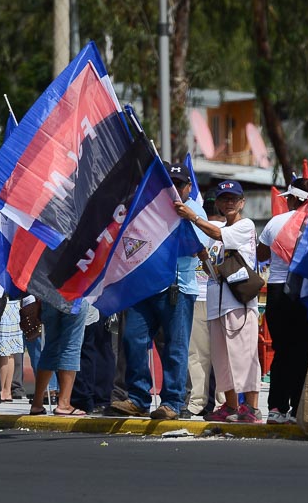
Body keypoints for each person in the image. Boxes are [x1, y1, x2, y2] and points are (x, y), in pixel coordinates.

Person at [110, 162, 208, 420]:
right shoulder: (149, 208)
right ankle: (138, 397)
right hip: (144, 286)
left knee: (175, 348)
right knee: (132, 339)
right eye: (169, 183)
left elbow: (201, 247)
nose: (173, 189)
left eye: (179, 184)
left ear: (188, 187)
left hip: (178, 289)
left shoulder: (195, 210)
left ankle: (173, 402)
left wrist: (188, 217)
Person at [174, 180, 262, 423]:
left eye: (234, 198)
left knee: (244, 356)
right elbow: (214, 269)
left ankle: (251, 408)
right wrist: (203, 257)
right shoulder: (218, 228)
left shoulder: (245, 225)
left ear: (242, 202)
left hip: (239, 303)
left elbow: (217, 234)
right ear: (219, 204)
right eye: (224, 199)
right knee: (222, 359)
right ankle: (231, 406)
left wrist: (193, 216)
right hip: (217, 303)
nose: (229, 203)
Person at [257, 176, 308, 424]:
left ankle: (276, 407)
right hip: (306, 291)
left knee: (282, 350)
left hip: (276, 292)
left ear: (293, 198)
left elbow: (262, 254)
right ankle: (298, 407)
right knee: (304, 350)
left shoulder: (275, 222)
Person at [184, 192, 225, 418]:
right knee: (212, 354)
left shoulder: (221, 230)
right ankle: (213, 402)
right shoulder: (203, 228)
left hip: (208, 297)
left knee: (200, 355)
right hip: (207, 296)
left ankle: (205, 402)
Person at [23, 295, 89, 416]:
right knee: (71, 346)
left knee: (50, 347)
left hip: (49, 295)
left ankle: (37, 403)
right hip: (75, 294)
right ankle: (64, 404)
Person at [0, 299, 23, 402]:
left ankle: (1, 390)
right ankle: (7, 391)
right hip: (14, 306)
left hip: (4, 306)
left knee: (3, 352)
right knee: (10, 352)